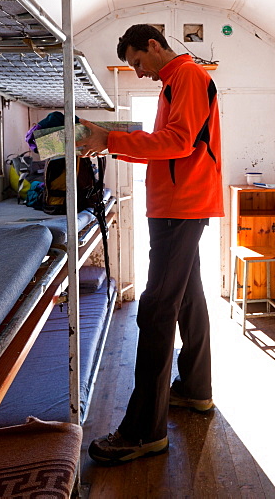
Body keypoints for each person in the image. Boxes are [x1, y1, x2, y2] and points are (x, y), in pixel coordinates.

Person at [76, 24, 223, 465]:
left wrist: (112, 139)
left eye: (137, 61)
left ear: (154, 46)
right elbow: (172, 144)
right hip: (177, 204)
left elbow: (178, 143)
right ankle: (196, 389)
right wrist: (109, 145)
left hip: (181, 205)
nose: (137, 72)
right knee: (187, 299)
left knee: (156, 309)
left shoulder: (188, 78)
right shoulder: (174, 84)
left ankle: (144, 431)